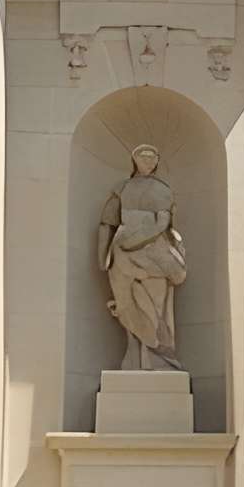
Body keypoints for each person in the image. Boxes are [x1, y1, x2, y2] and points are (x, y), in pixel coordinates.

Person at [97, 144, 191, 371]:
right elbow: (107, 223)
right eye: (143, 156)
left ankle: (160, 360)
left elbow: (162, 224)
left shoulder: (162, 190)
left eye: (152, 157)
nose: (148, 161)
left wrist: (132, 242)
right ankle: (134, 361)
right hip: (122, 256)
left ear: (157, 161)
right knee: (127, 305)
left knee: (155, 310)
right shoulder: (122, 189)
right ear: (134, 159)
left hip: (154, 255)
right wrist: (103, 256)